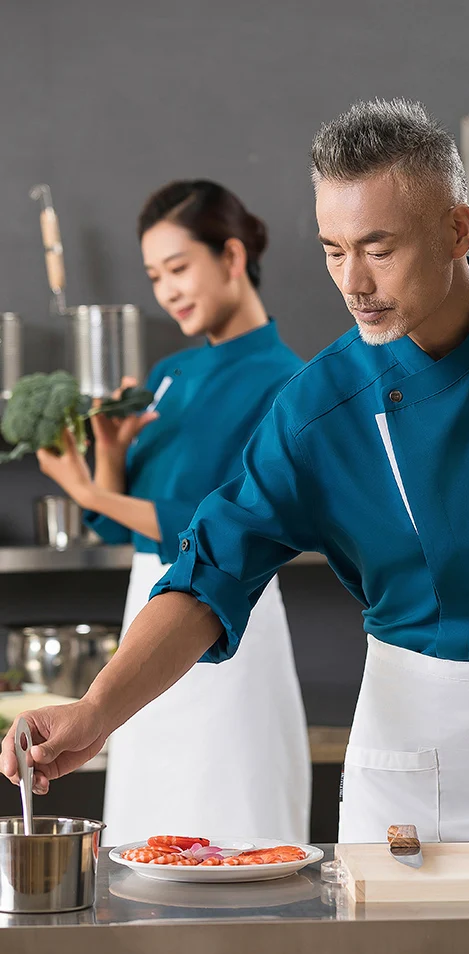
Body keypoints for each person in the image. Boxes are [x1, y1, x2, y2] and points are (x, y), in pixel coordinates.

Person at [3, 101, 469, 857]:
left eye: (378, 249)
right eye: (332, 250)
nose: (353, 282)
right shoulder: (316, 406)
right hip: (407, 760)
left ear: (457, 229)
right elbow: (209, 572)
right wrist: (96, 710)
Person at [29, 179, 310, 845]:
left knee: (231, 831)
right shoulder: (173, 374)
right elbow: (121, 522)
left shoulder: (288, 382)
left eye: (180, 268)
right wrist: (106, 457)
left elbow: (211, 525)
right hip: (143, 613)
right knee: (145, 833)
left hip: (224, 625)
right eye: (156, 275)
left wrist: (95, 493)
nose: (167, 291)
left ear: (233, 258)